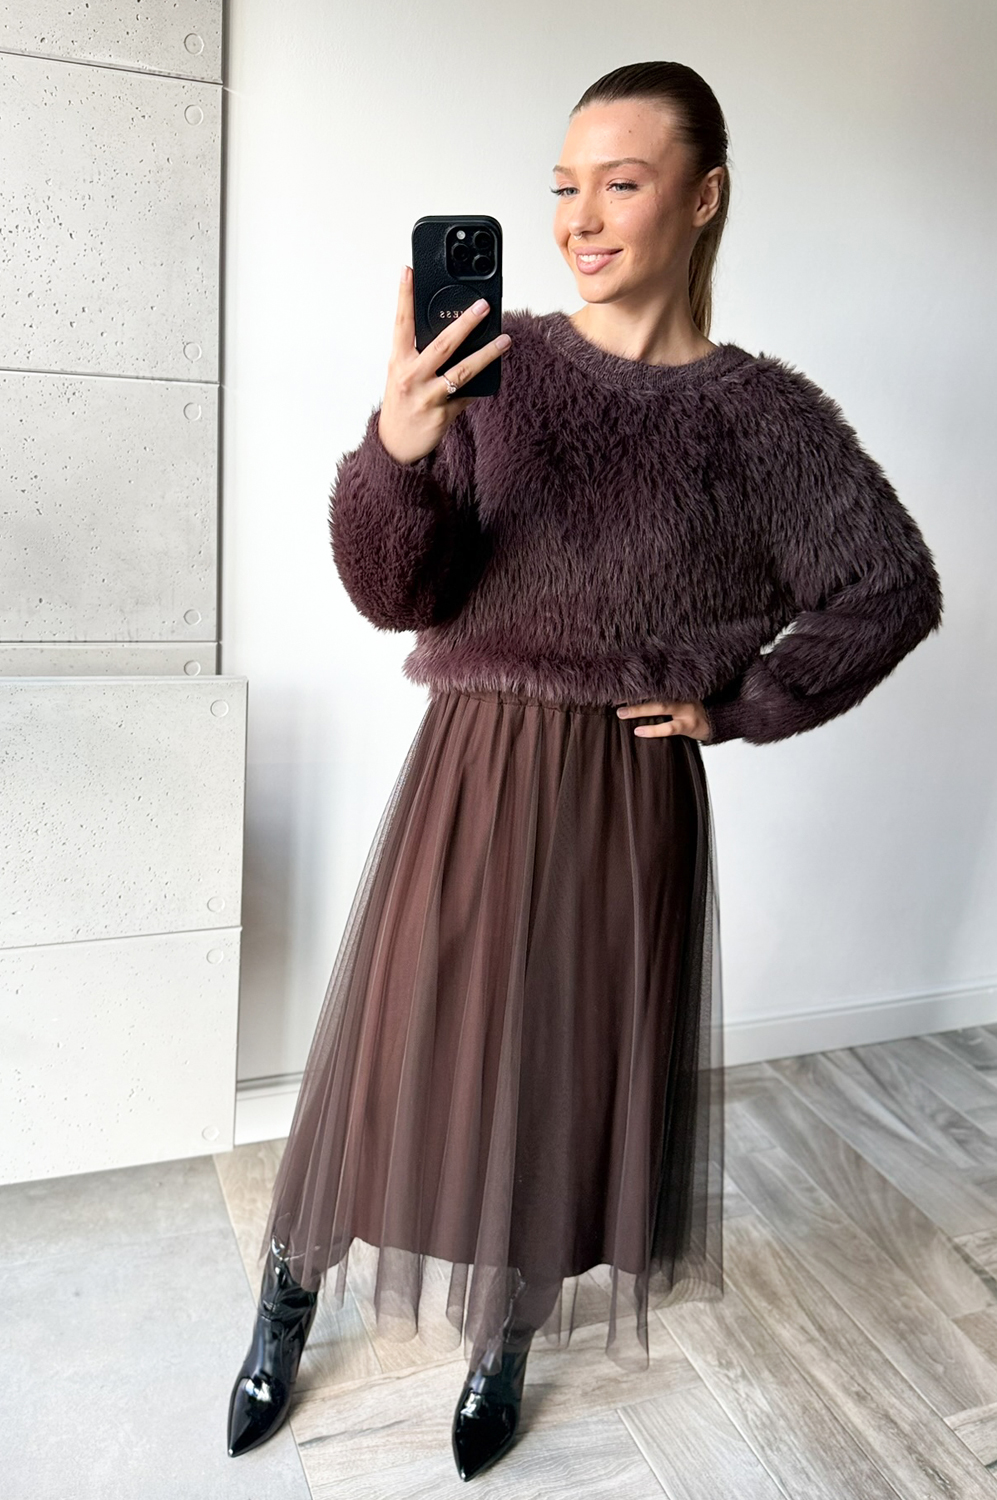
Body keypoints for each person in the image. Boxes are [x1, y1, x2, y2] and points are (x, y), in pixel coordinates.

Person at [227, 59, 943, 1481]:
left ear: (704, 197)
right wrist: (399, 447)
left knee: (561, 1073)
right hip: (472, 771)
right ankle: (284, 1306)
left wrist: (744, 704)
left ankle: (504, 1339)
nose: (580, 218)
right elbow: (392, 590)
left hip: (628, 798)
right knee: (393, 1049)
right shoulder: (502, 366)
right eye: (564, 186)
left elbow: (890, 588)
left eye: (620, 182)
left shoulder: (765, 423)